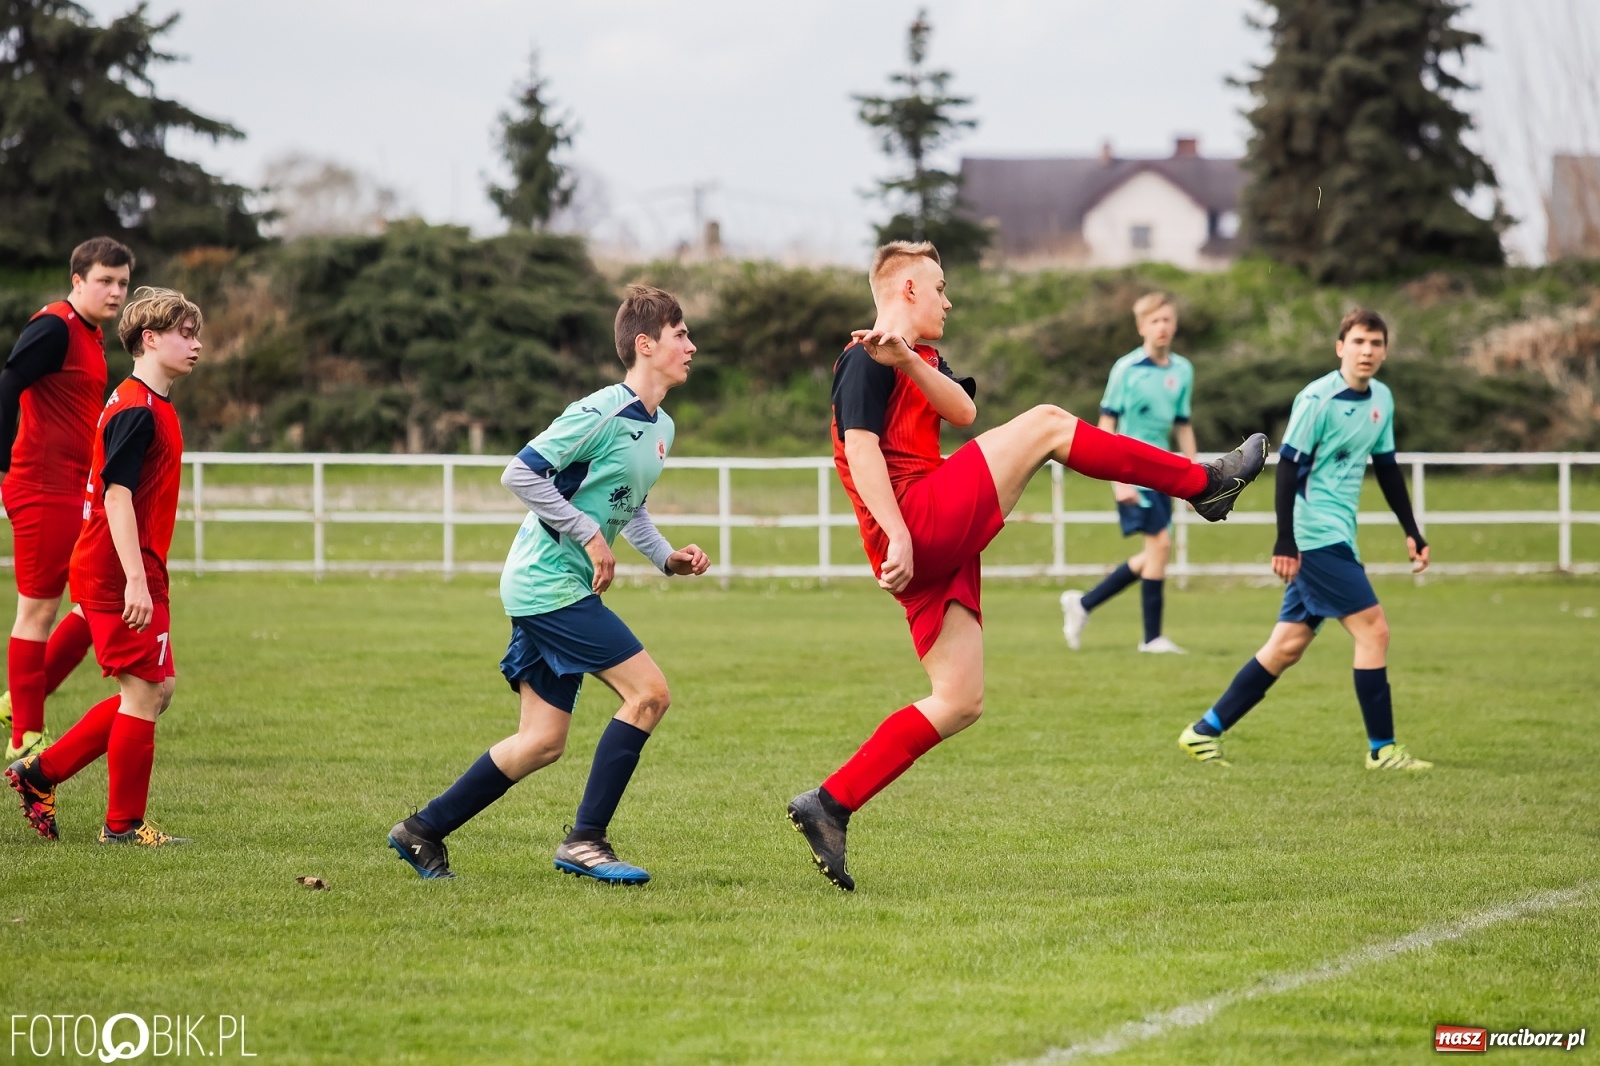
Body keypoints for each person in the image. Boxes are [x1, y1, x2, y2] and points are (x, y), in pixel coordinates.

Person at [787, 241, 1268, 891]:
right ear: (905, 290)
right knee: (1046, 424)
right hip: (913, 523)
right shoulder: (861, 358)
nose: (948, 300)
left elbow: (962, 411)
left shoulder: (909, 357)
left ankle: (830, 804)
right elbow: (862, 451)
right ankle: (1201, 482)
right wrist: (899, 534)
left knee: (959, 700)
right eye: (939, 286)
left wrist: (908, 359)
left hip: (926, 532)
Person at [388, 285, 710, 883]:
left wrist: (668, 559)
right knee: (649, 694)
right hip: (547, 582)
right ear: (646, 344)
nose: (692, 345)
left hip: (556, 585)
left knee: (540, 742)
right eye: (681, 333)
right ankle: (586, 841)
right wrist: (588, 535)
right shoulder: (600, 411)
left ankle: (421, 831)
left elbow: (629, 505)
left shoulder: (661, 424)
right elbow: (522, 472)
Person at [1177, 308, 1433, 771]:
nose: (1367, 351)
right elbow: (1288, 467)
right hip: (1314, 537)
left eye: (1376, 343)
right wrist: (1285, 541)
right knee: (1374, 631)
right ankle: (1383, 750)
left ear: (1385, 350)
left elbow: (1388, 469)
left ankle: (1203, 732)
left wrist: (1412, 532)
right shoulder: (1317, 399)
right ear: (1341, 347)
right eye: (1358, 342)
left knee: (1285, 648)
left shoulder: (1383, 399)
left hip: (1338, 534)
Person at [6, 286, 200, 845]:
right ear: (149, 339)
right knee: (143, 693)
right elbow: (116, 496)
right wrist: (135, 581)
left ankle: (40, 773)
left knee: (157, 690)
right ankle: (121, 826)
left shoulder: (148, 403)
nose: (196, 344)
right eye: (184, 334)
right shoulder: (137, 409)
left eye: (195, 333)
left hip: (131, 569)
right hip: (119, 573)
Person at [0, 238, 134, 761]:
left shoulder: (91, 336)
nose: (115, 291)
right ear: (77, 280)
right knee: (37, 609)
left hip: (77, 489)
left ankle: (17, 701)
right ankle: (25, 735)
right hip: (41, 486)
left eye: (122, 282)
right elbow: (9, 381)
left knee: (93, 602)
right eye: (105, 280)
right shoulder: (54, 325)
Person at [1061, 292, 1195, 654]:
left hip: (1167, 471)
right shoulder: (1126, 369)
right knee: (1162, 546)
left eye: (1167, 319)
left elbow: (1183, 425)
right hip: (1131, 471)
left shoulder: (1183, 370)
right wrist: (1116, 480)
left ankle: (1083, 604)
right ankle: (1152, 639)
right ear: (1141, 327)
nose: (1162, 326)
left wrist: (1199, 477)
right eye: (1154, 321)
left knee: (1154, 554)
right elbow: (1106, 425)